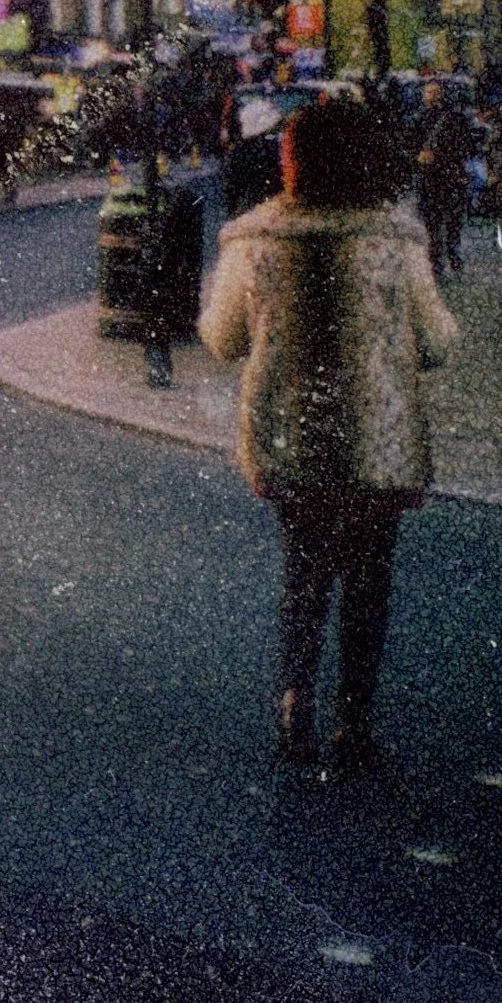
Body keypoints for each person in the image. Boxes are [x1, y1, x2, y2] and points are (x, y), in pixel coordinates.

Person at [199, 97, 459, 778]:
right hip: (379, 439)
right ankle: (355, 725)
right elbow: (437, 343)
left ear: (292, 160)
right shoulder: (398, 239)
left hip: (291, 437)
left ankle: (295, 707)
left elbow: (220, 339)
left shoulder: (249, 239)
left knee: (303, 572)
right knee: (370, 579)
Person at [413, 77, 476, 278]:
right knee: (434, 225)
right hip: (431, 179)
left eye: (435, 92)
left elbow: (463, 146)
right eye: (429, 92)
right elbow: (408, 145)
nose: (432, 96)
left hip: (448, 178)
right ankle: (439, 263)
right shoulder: (418, 118)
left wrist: (437, 154)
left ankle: (451, 259)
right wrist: (418, 155)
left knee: (451, 224)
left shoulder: (453, 117)